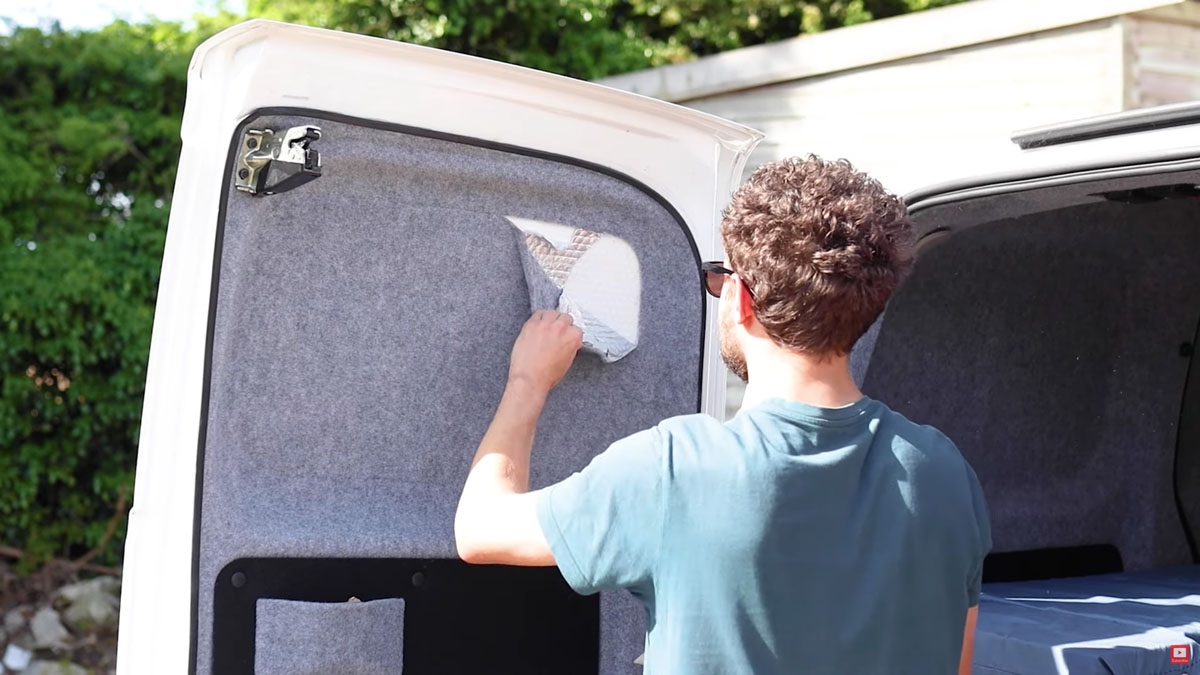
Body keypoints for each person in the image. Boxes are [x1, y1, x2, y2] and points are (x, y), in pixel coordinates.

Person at [454, 155, 992, 675]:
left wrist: (528, 382)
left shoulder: (674, 470)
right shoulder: (943, 472)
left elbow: (479, 530)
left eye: (721, 277)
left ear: (739, 299)